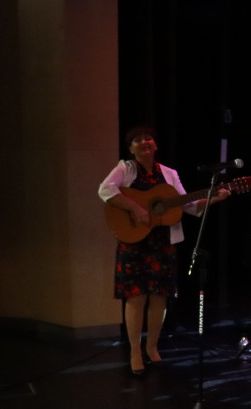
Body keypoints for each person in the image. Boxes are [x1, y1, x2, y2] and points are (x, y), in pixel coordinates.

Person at [98, 126, 229, 375]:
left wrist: (214, 198)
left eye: (148, 138)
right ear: (131, 148)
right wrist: (136, 209)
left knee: (160, 296)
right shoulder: (125, 169)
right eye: (137, 140)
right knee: (136, 297)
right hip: (134, 241)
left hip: (162, 242)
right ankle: (135, 350)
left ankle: (152, 346)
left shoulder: (169, 174)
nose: (144, 142)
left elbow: (187, 205)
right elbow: (105, 190)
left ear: (155, 144)